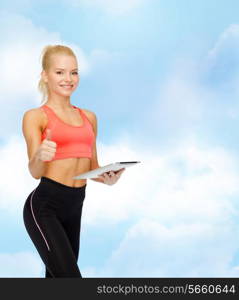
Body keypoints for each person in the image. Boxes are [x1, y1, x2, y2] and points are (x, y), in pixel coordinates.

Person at [22, 44, 125, 278]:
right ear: (45, 76)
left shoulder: (89, 117)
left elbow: (91, 167)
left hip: (75, 205)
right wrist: (39, 156)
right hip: (45, 206)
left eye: (74, 72)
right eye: (60, 72)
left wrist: (107, 178)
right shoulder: (35, 116)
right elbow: (35, 171)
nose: (68, 79)